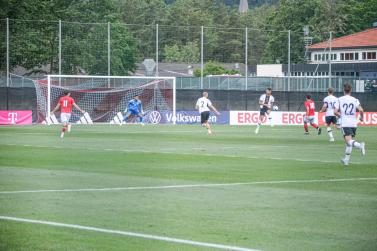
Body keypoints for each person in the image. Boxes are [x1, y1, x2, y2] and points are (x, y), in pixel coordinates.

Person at [334, 83, 365, 166]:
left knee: (349, 141)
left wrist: (340, 116)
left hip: (345, 123)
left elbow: (335, 112)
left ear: (343, 90)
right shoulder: (355, 99)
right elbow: (361, 110)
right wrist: (362, 118)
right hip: (354, 123)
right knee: (348, 143)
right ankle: (346, 160)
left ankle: (360, 145)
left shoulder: (339, 99)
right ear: (350, 90)